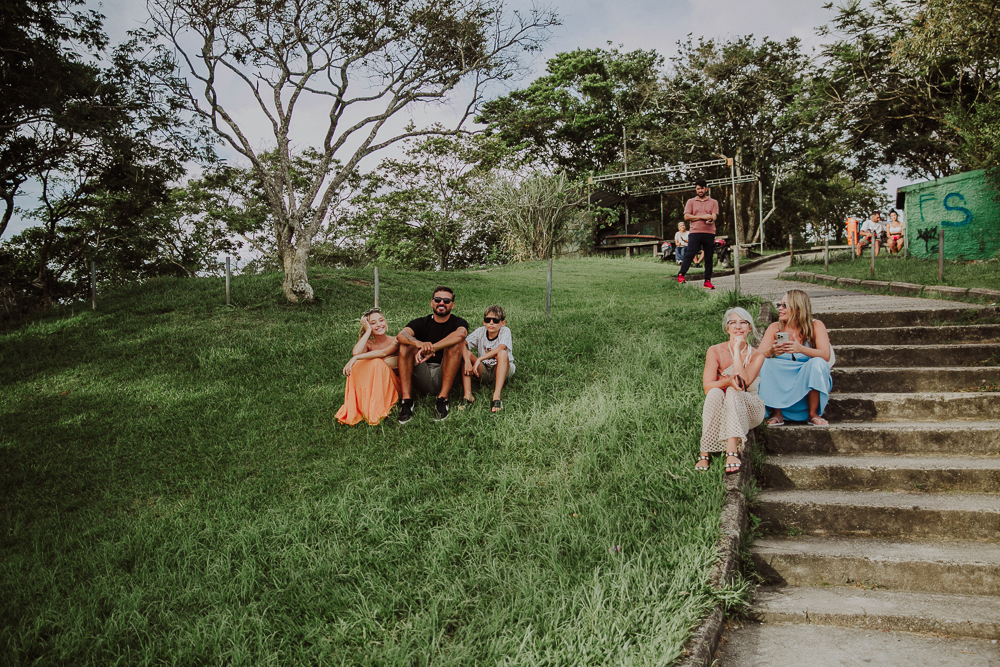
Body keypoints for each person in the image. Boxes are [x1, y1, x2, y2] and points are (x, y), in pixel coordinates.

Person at [695, 307, 766, 474]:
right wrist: (727, 381)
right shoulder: (715, 350)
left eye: (743, 322)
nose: (738, 326)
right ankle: (704, 452)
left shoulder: (757, 355)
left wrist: (736, 351)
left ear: (750, 328)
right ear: (727, 329)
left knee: (734, 391)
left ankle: (731, 450)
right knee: (714, 393)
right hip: (723, 404)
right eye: (732, 322)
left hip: (749, 405)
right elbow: (707, 387)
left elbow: (743, 384)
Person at [758, 289, 834, 426]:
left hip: (806, 384)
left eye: (784, 306)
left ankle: (813, 414)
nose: (780, 309)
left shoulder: (815, 326)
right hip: (782, 383)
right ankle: (777, 413)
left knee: (817, 362)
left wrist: (801, 349)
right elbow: (757, 356)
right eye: (780, 305)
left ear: (798, 309)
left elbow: (825, 355)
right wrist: (771, 351)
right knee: (766, 363)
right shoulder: (775, 328)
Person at [396, 286, 469, 423]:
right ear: (432, 303)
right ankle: (406, 401)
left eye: (446, 301)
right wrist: (418, 344)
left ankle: (443, 399)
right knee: (405, 346)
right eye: (438, 299)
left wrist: (432, 348)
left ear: (452, 305)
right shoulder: (421, 322)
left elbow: (461, 334)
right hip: (422, 372)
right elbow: (402, 335)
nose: (442, 303)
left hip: (445, 373)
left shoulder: (458, 322)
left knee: (454, 345)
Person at [335, 308, 401, 426]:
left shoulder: (395, 340)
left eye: (381, 320)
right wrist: (368, 332)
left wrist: (356, 358)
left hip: (395, 385)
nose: (379, 325)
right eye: (373, 323)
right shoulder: (369, 344)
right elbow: (356, 352)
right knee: (357, 366)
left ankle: (378, 406)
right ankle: (363, 405)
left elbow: (383, 353)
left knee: (376, 362)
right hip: (375, 385)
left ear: (386, 322)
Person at [462, 305, 516, 413]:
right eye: (488, 320)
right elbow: (463, 343)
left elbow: (502, 347)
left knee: (502, 353)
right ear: (484, 322)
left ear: (502, 323)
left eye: (496, 320)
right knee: (466, 354)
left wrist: (479, 359)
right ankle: (468, 394)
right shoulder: (480, 331)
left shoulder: (505, 331)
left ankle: (496, 396)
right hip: (485, 369)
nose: (491, 323)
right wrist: (468, 361)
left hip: (502, 370)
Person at [677, 179, 719, 290]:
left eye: (702, 188)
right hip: (695, 232)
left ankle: (707, 281)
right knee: (690, 254)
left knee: (708, 257)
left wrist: (710, 220)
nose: (700, 190)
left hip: (709, 233)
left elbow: (714, 216)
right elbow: (687, 217)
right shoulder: (691, 201)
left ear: (706, 189)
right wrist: (702, 217)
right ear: (696, 189)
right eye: (698, 189)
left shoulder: (713, 202)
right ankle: (681, 275)